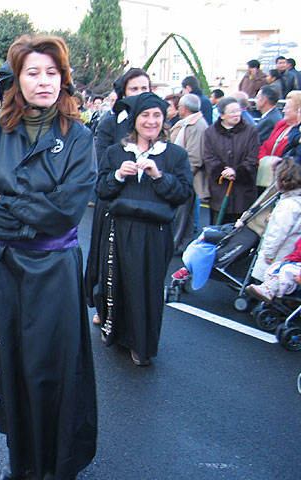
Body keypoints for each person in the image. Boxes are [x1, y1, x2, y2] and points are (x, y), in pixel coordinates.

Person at [0, 34, 97, 480]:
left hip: (56, 270)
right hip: (6, 268)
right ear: (17, 79)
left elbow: (67, 210)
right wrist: (28, 218)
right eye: (32, 72)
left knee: (55, 369)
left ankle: (57, 463)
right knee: (14, 366)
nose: (43, 81)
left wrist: (14, 204)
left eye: (51, 72)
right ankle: (20, 460)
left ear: (63, 78)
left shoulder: (79, 137)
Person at [90, 92, 193, 366]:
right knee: (117, 285)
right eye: (145, 115)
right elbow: (101, 190)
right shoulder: (115, 153)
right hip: (118, 230)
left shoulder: (175, 155)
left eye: (157, 115)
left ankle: (142, 345)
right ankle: (116, 333)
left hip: (154, 234)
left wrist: (159, 176)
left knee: (146, 289)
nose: (151, 121)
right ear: (134, 121)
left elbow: (183, 193)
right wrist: (117, 175)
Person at [89, 67, 152, 324]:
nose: (138, 94)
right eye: (133, 89)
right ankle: (103, 304)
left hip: (146, 202)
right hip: (113, 198)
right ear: (123, 92)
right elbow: (102, 162)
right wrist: (120, 171)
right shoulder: (110, 122)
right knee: (108, 258)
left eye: (143, 89)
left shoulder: (154, 121)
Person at [203, 96, 259, 224]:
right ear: (222, 115)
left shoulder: (251, 131)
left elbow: (252, 157)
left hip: (243, 192)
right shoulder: (210, 133)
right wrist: (222, 171)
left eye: (238, 110)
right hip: (220, 190)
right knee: (218, 229)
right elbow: (209, 157)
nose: (236, 114)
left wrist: (237, 172)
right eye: (232, 112)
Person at [249, 157, 301, 285]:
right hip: (288, 250)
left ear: (282, 181)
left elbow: (278, 232)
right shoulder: (296, 202)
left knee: (265, 282)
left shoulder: (287, 205)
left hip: (275, 255)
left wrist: (269, 253)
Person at [170, 93, 209, 254]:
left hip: (186, 178)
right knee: (185, 216)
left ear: (184, 108)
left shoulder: (197, 126)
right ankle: (183, 244)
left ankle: (175, 244)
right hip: (183, 176)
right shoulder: (188, 123)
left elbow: (194, 158)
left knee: (181, 215)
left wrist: (179, 176)